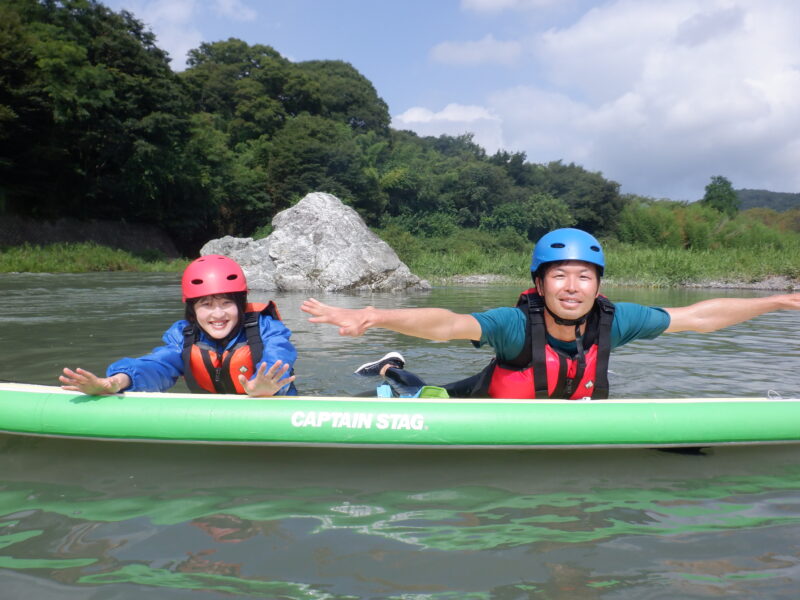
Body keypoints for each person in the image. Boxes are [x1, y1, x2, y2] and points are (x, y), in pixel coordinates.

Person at [301, 228, 800, 399]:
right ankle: (391, 366)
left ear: (599, 285)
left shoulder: (614, 320)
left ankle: (393, 364)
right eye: (559, 275)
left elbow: (698, 317)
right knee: (422, 390)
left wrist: (777, 301)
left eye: (585, 276)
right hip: (480, 402)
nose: (572, 286)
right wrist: (376, 314)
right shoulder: (516, 324)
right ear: (539, 284)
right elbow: (450, 324)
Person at [60, 254, 297, 397]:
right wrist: (115, 382)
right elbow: (158, 365)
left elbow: (279, 353)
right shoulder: (183, 337)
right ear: (192, 310)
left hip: (268, 399)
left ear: (240, 304)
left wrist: (264, 383)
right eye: (206, 304)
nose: (218, 314)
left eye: (227, 303)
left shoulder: (266, 327)